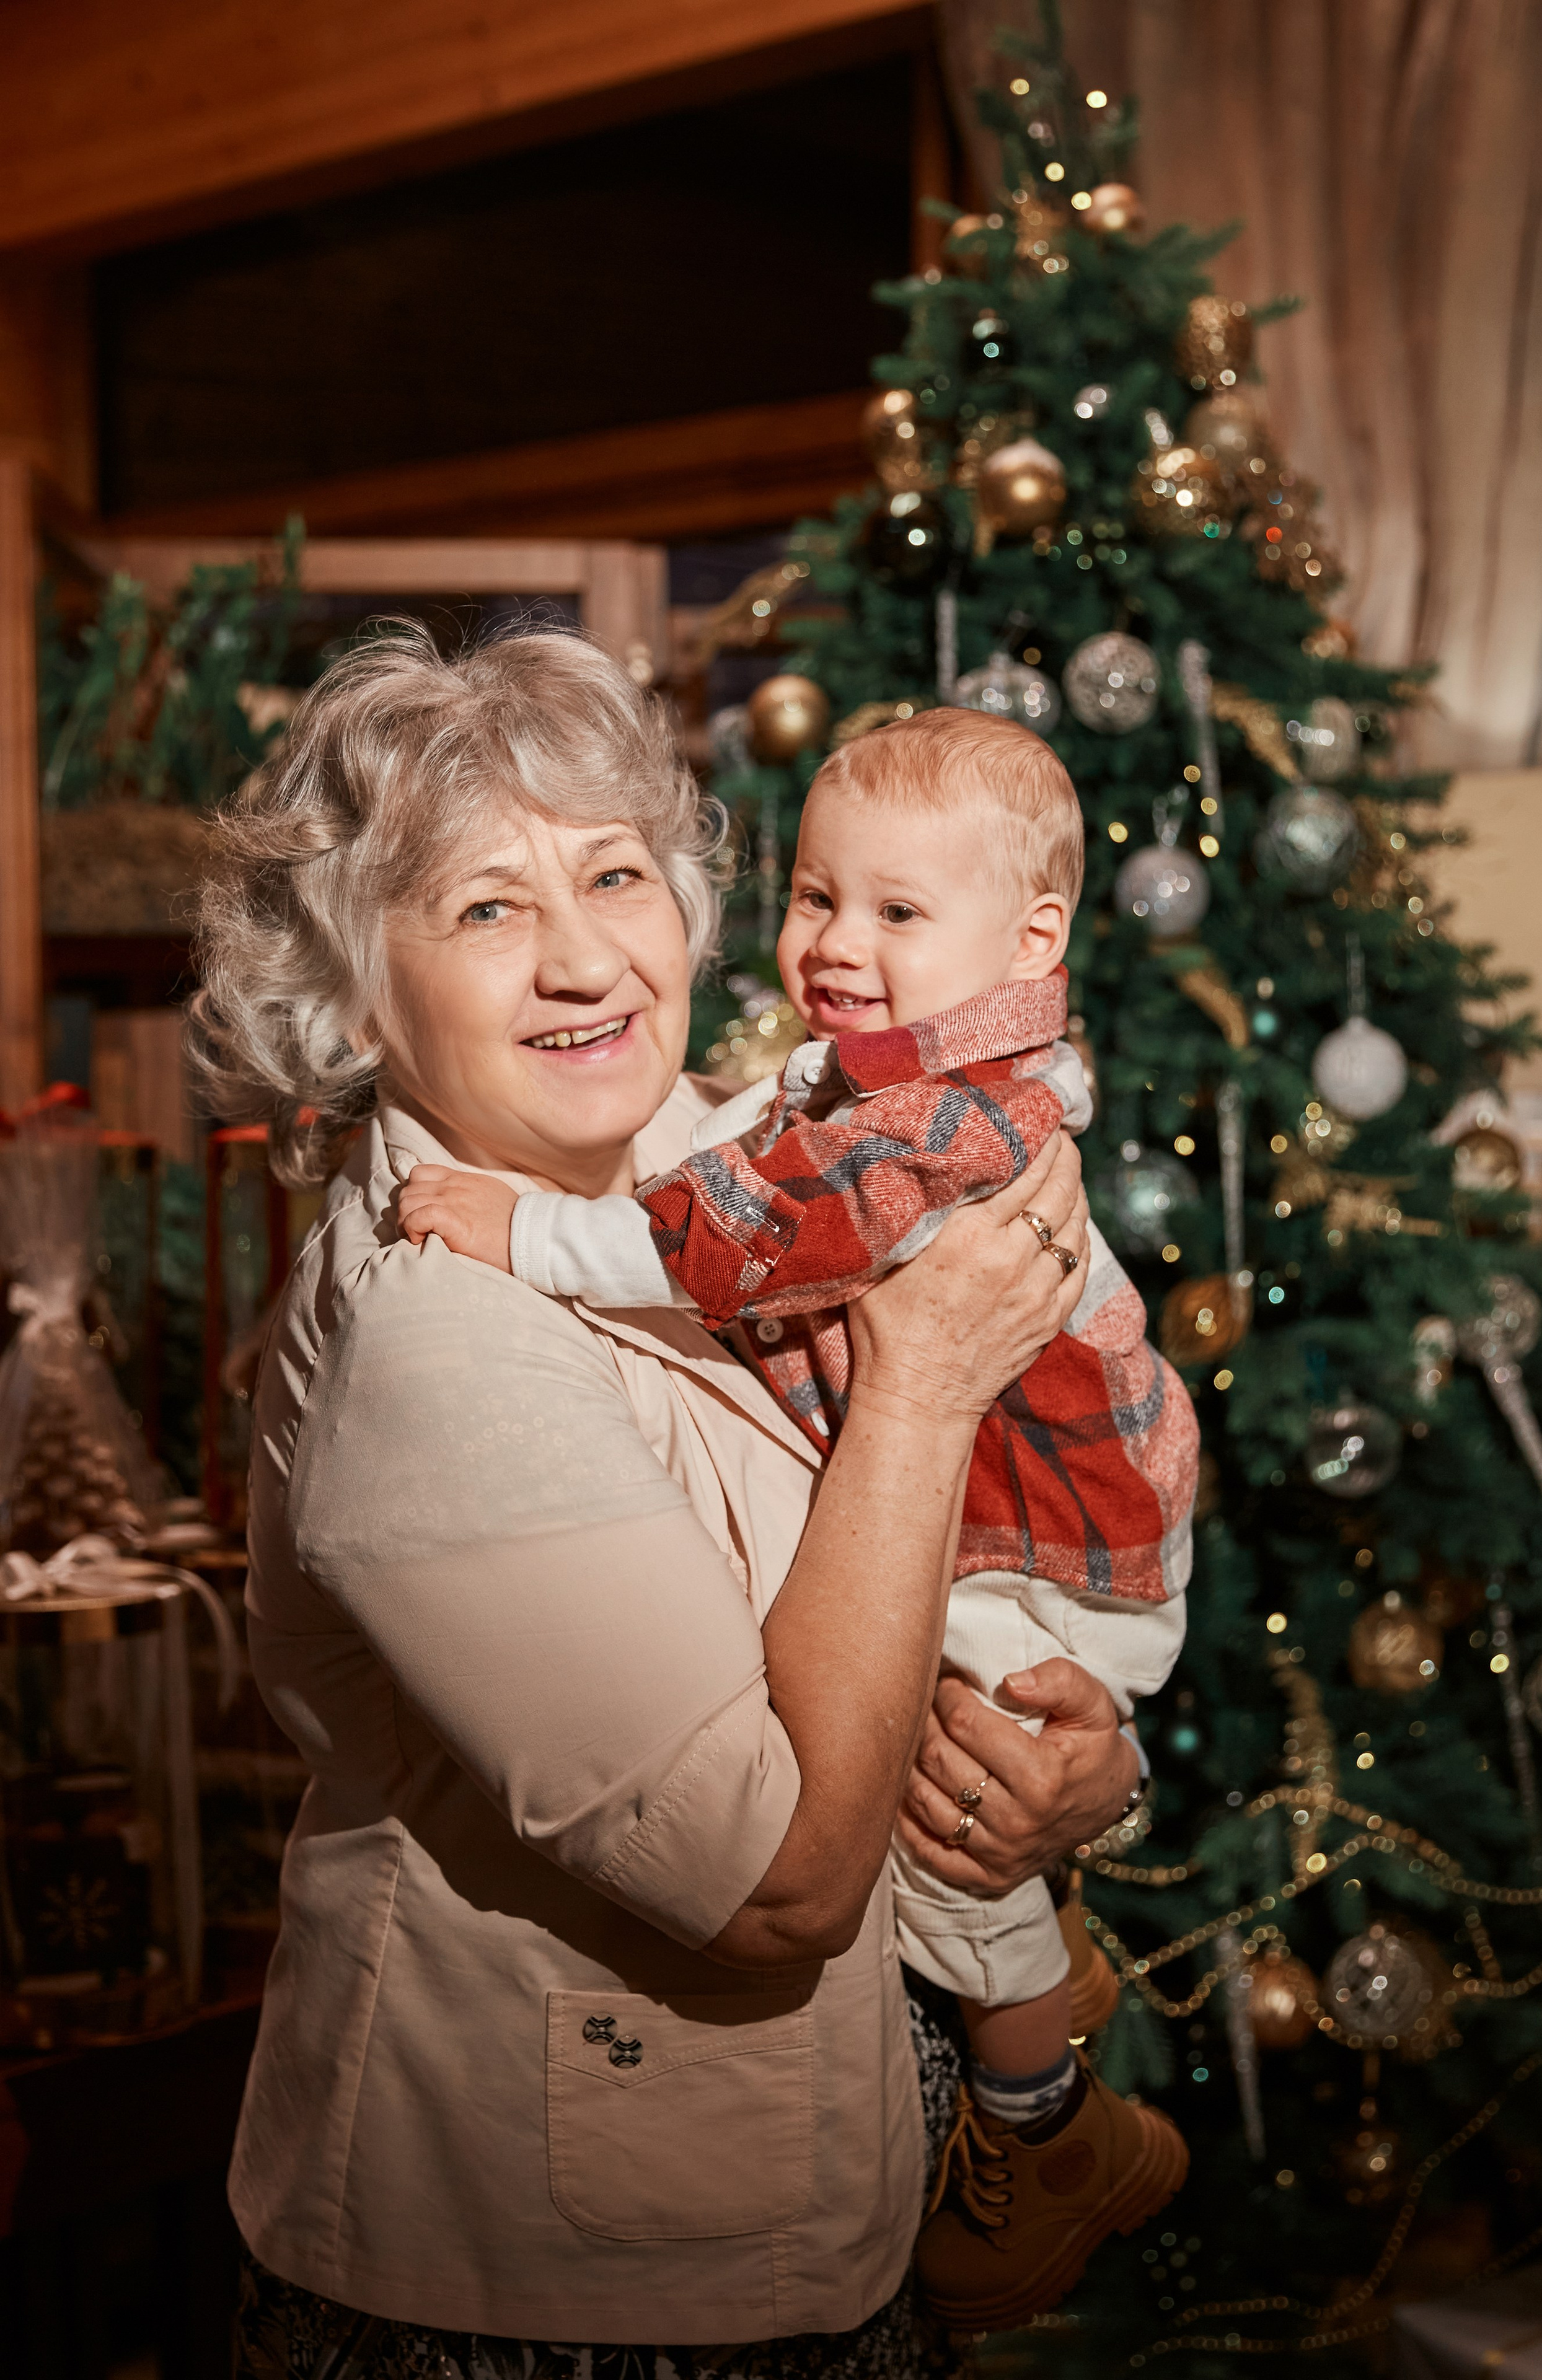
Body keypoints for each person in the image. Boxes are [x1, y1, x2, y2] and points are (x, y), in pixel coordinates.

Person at [192, 625, 1162, 2380]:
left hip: (824, 2218)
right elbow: (778, 1880)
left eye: (617, 874)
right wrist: (926, 1380)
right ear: (354, 995)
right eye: (487, 908)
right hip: (565, 2303)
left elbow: (1023, 1464)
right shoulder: (432, 1335)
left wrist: (1076, 1761)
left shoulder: (707, 1158)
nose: (584, 959)